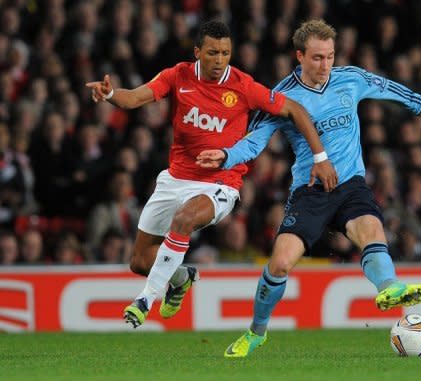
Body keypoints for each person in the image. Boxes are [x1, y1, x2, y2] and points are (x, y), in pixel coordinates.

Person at [196, 19, 421, 357]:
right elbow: (253, 141)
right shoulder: (280, 97)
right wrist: (226, 155)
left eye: (330, 57)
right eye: (317, 58)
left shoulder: (349, 79)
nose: (325, 66)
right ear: (299, 56)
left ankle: (390, 287)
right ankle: (256, 332)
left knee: (371, 229)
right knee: (279, 264)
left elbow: (384, 87)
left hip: (351, 182)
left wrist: (416, 102)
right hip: (310, 192)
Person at [85, 20, 338, 328]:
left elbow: (296, 110)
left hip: (221, 183)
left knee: (184, 219)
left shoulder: (243, 86)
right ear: (197, 52)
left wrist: (320, 157)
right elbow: (135, 98)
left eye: (225, 53)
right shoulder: (177, 75)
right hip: (176, 178)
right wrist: (111, 93)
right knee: (139, 261)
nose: (219, 61)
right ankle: (180, 278)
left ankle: (145, 300)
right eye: (213, 53)